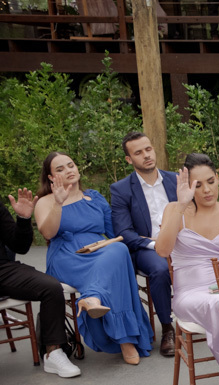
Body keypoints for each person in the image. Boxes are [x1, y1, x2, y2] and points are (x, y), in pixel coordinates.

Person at [34, 152, 153, 365]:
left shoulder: (95, 197)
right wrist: (58, 204)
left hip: (99, 250)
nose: (68, 170)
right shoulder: (46, 201)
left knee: (118, 251)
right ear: (51, 178)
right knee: (115, 261)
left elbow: (115, 232)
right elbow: (48, 234)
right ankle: (124, 339)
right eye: (59, 169)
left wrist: (144, 240)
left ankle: (93, 299)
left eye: (70, 165)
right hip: (67, 255)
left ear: (78, 168)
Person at [155, 153, 219, 385]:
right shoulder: (175, 210)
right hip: (191, 292)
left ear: (218, 178)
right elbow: (162, 250)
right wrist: (180, 205)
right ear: (187, 187)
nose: (206, 190)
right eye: (197, 185)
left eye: (210, 181)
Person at [0, 188, 80, 377]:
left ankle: (53, 352)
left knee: (51, 287)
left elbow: (19, 245)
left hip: (2, 268)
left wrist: (23, 219)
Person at [110, 132, 177, 356]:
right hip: (147, 248)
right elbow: (124, 231)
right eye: (138, 152)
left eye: (148, 149)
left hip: (182, 241)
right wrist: (154, 245)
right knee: (160, 270)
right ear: (129, 159)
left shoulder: (176, 179)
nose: (146, 155)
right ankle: (168, 328)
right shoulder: (121, 189)